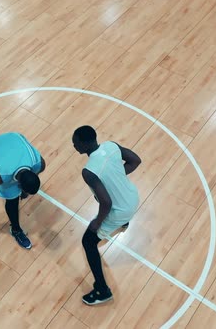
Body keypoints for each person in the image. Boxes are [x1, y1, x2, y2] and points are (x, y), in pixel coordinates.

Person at [72, 125, 141, 305]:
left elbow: (107, 203)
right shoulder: (111, 146)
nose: (74, 146)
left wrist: (97, 221)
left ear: (85, 144)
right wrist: (117, 176)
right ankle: (124, 223)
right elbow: (135, 160)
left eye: (76, 143)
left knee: (88, 241)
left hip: (120, 210)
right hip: (133, 198)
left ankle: (102, 290)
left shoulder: (89, 171)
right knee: (120, 211)